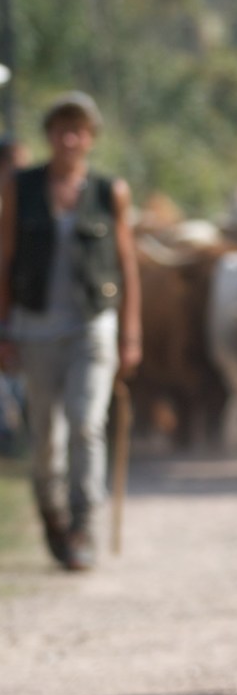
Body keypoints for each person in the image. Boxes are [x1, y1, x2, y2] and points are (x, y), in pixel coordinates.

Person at [0, 92, 141, 570]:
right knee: (45, 437)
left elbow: (126, 266)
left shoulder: (109, 192)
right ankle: (52, 516)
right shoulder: (21, 187)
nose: (70, 137)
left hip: (92, 324)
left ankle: (84, 525)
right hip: (36, 326)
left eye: (79, 129)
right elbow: (6, 257)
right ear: (49, 135)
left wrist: (131, 332)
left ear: (91, 139)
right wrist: (4, 328)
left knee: (85, 424)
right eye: (62, 128)